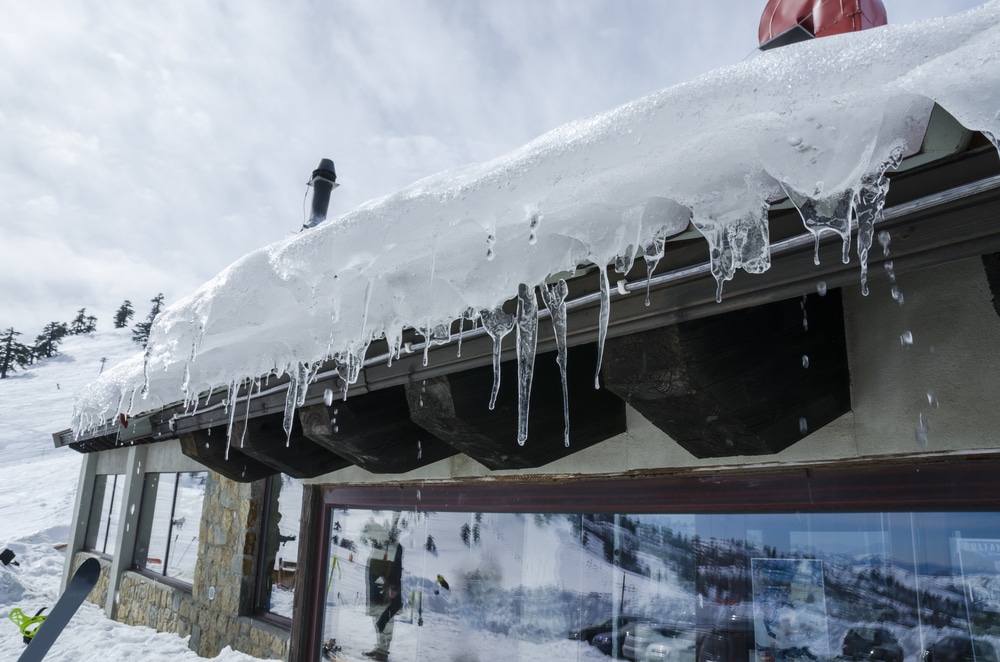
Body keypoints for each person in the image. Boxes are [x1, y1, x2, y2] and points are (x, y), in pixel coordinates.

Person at [364, 523, 403, 661]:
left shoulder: (393, 547)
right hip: (376, 591)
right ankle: (380, 648)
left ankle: (383, 652)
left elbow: (395, 569)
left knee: (385, 622)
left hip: (386, 592)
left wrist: (392, 587)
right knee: (377, 621)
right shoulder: (380, 546)